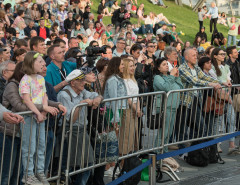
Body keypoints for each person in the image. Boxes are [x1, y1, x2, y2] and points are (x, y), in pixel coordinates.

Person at [19, 51, 59, 185]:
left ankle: (39, 171)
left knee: (41, 145)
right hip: (30, 117)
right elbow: (27, 100)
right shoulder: (25, 79)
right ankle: (28, 174)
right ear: (31, 63)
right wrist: (38, 112)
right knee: (29, 147)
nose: (43, 64)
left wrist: (44, 111)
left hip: (40, 116)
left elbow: (44, 97)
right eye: (40, 62)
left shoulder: (41, 79)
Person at [57, 69, 103, 185]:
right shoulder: (64, 94)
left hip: (82, 131)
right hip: (69, 132)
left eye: (83, 79)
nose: (84, 82)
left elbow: (97, 95)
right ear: (73, 83)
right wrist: (81, 104)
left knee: (88, 164)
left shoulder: (81, 91)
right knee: (69, 166)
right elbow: (71, 119)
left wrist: (97, 100)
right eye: (81, 80)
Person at [176, 48, 223, 150]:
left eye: (196, 55)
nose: (196, 57)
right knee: (182, 128)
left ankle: (196, 149)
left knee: (201, 127)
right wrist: (210, 84)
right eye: (193, 55)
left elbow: (205, 77)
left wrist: (220, 82)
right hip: (184, 102)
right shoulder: (182, 69)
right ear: (186, 57)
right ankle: (182, 151)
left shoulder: (196, 67)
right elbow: (195, 81)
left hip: (195, 100)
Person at [210, 48, 238, 154]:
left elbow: (228, 80)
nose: (223, 56)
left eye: (224, 54)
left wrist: (228, 92)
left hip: (227, 96)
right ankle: (216, 144)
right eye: (221, 54)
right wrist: (223, 84)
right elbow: (213, 80)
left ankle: (231, 144)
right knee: (218, 121)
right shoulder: (212, 67)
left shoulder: (226, 67)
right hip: (217, 97)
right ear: (215, 56)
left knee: (231, 119)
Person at [153, 57, 183, 153]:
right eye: (163, 64)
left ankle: (164, 152)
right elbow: (166, 87)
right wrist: (172, 76)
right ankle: (158, 153)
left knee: (169, 132)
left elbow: (181, 87)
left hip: (174, 107)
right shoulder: (158, 78)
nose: (166, 66)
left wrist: (177, 76)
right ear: (158, 68)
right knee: (163, 133)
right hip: (165, 108)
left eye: (167, 64)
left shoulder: (170, 77)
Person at [119, 58, 141, 156]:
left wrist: (138, 109)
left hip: (135, 109)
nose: (133, 68)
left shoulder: (133, 79)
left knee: (134, 133)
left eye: (133, 66)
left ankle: (132, 154)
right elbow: (127, 98)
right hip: (128, 109)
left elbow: (137, 96)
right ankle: (124, 156)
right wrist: (136, 109)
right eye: (130, 66)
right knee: (127, 134)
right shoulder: (123, 81)